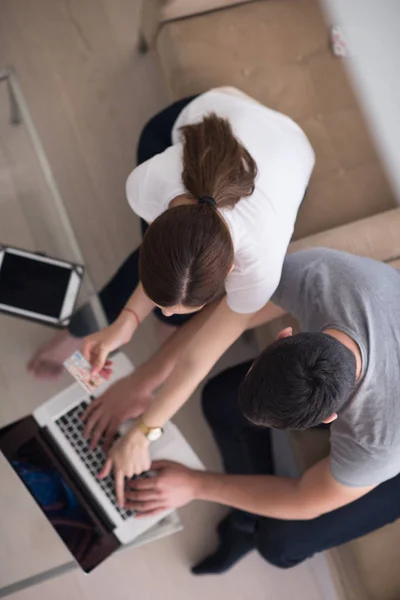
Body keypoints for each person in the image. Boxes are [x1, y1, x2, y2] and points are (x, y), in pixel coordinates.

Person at [28, 87, 315, 503]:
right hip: (198, 127)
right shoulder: (146, 184)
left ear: (231, 271)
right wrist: (124, 324)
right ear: (159, 224)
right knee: (172, 306)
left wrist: (146, 430)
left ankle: (103, 329)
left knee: (177, 322)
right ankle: (98, 329)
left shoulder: (261, 264)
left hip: (284, 145)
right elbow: (169, 258)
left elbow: (201, 356)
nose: (160, 308)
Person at [121, 248, 400, 574]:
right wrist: (141, 382)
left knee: (279, 543)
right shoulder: (322, 276)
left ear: (330, 418)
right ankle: (245, 519)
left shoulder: (381, 442)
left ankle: (249, 529)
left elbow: (304, 498)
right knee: (220, 400)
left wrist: (195, 485)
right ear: (283, 337)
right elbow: (226, 320)